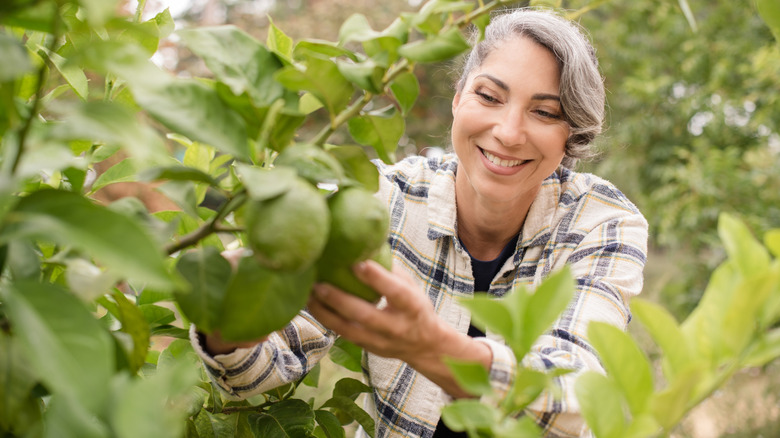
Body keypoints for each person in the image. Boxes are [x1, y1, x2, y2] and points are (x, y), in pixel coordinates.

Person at [190, 7, 648, 438]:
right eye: (489, 96)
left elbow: (575, 400)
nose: (508, 132)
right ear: (457, 99)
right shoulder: (383, 202)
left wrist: (428, 346)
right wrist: (229, 324)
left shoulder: (602, 224)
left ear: (572, 134)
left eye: (545, 112)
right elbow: (262, 368)